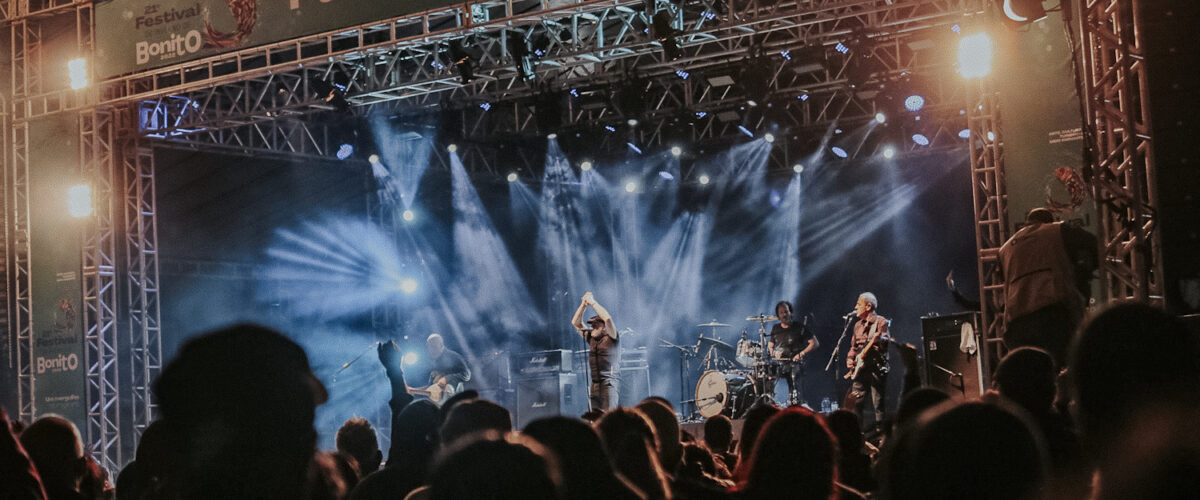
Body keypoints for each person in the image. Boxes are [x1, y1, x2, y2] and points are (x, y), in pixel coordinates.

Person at [998, 207, 1097, 365]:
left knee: (1031, 379)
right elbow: (1094, 244)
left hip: (1016, 325)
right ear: (1049, 220)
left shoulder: (1004, 249)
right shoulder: (1057, 230)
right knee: (1067, 370)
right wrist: (1085, 271)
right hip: (1052, 316)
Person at [845, 292, 890, 427]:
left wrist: (880, 338)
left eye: (859, 304)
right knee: (856, 403)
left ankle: (880, 435)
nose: (855, 307)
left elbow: (886, 341)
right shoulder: (857, 325)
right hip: (860, 369)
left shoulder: (881, 321)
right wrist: (850, 358)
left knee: (878, 404)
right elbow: (853, 347)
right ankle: (859, 434)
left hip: (876, 367)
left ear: (868, 306)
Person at [571, 292, 621, 410]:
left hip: (609, 382)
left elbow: (607, 318)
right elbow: (575, 323)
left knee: (607, 417)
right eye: (591, 324)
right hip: (594, 384)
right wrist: (583, 305)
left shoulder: (612, 337)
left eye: (595, 324)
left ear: (604, 327)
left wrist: (592, 302)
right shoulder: (591, 338)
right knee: (595, 418)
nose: (592, 326)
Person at [765, 301, 818, 406]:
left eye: (786, 311)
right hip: (780, 363)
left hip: (795, 362)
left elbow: (815, 343)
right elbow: (770, 346)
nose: (784, 314)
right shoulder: (776, 328)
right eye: (781, 313)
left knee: (794, 375)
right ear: (778, 316)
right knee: (766, 374)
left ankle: (795, 403)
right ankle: (772, 403)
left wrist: (801, 353)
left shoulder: (799, 327)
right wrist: (774, 352)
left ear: (790, 313)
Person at [424, 333, 471, 402]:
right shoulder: (434, 361)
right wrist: (413, 390)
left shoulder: (454, 356)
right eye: (429, 346)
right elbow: (430, 387)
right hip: (440, 404)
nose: (431, 349)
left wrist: (447, 378)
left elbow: (466, 374)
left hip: (456, 402)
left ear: (441, 345)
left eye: (433, 346)